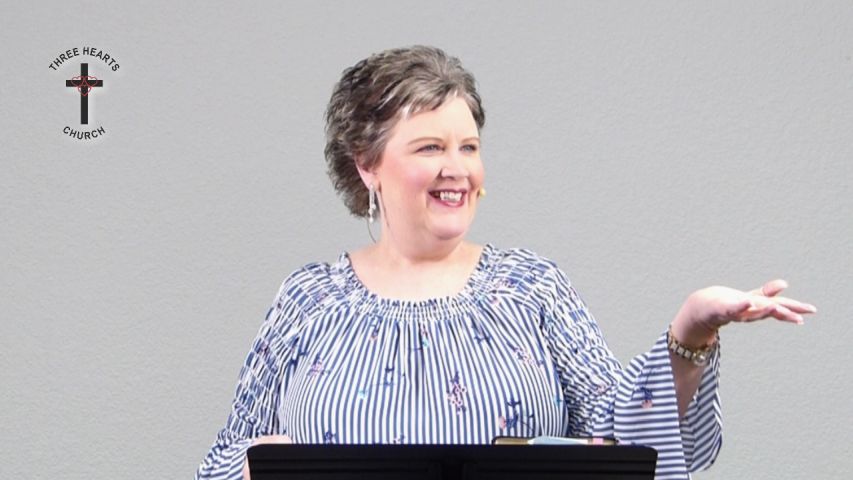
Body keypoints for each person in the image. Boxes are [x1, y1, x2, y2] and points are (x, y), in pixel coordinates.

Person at [195, 46, 816, 480]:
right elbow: (222, 460)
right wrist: (251, 466)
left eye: (468, 147)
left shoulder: (532, 287)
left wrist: (691, 329)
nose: (457, 169)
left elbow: (623, 444)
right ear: (367, 165)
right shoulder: (309, 299)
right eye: (430, 147)